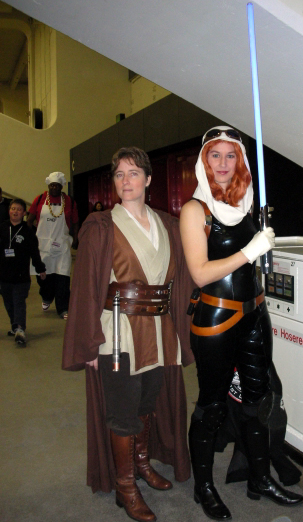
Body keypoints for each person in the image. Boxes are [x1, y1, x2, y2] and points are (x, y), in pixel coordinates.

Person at [62, 147, 194, 522]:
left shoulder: (168, 225)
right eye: (119, 174)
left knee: (147, 402)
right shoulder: (100, 226)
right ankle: (125, 486)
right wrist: (89, 341)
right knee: (122, 411)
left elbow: (182, 277)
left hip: (159, 331)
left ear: (148, 179)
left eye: (133, 173)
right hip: (118, 332)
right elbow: (86, 286)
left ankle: (141, 463)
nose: (126, 181)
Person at [180, 126, 303, 521]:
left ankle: (259, 478)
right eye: (214, 155)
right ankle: (203, 487)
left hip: (255, 315)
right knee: (212, 406)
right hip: (216, 319)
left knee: (258, 402)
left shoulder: (247, 205)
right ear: (204, 161)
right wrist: (250, 250)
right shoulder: (195, 210)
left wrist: (261, 244)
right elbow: (200, 273)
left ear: (241, 162)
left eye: (230, 155)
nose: (222, 163)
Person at [27, 172, 79, 319]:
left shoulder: (69, 201)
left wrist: (76, 238)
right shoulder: (39, 199)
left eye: (57, 185)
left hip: (62, 244)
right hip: (42, 246)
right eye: (52, 185)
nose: (54, 188)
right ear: (48, 186)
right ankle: (46, 296)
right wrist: (30, 238)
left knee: (63, 277)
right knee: (43, 277)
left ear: (62, 186)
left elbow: (75, 222)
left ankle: (63, 308)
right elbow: (29, 220)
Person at [0, 198, 46, 346]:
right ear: (9, 211)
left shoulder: (28, 232)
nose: (15, 212)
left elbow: (34, 253)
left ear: (24, 213)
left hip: (21, 277)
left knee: (18, 302)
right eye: (13, 209)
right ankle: (15, 326)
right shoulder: (2, 228)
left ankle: (20, 329)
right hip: (4, 276)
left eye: (19, 209)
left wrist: (40, 269)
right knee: (9, 303)